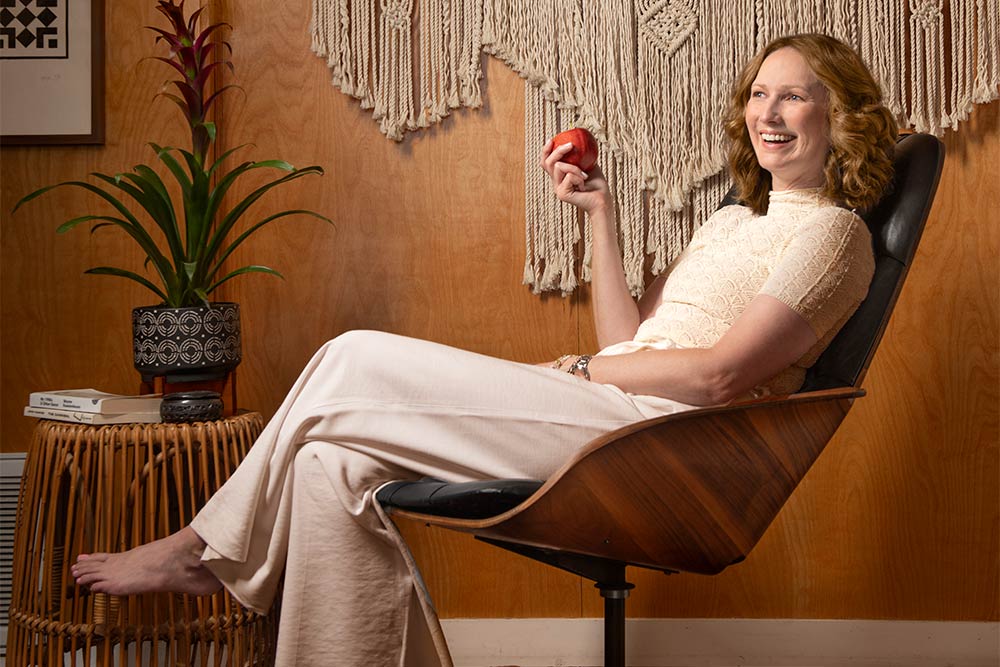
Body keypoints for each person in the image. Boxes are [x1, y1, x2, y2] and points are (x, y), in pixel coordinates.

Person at [71, 33, 897, 667]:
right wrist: (599, 218)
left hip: (661, 445)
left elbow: (718, 377)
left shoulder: (835, 237)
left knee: (353, 353)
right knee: (328, 466)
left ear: (840, 117)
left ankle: (205, 549)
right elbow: (633, 342)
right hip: (618, 411)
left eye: (795, 97)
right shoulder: (733, 218)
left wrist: (580, 370)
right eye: (760, 94)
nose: (769, 113)